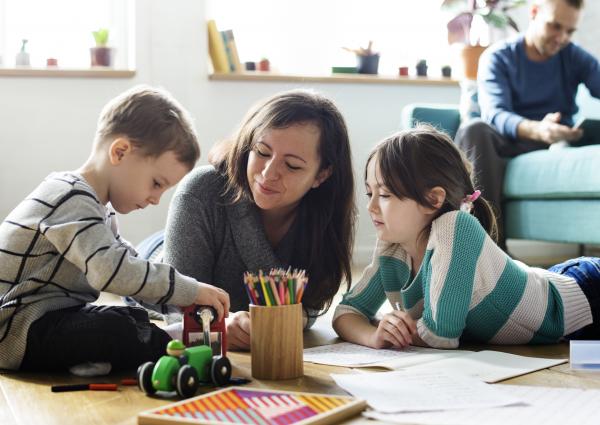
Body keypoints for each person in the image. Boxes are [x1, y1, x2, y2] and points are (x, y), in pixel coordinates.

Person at [0, 85, 230, 372]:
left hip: (48, 319)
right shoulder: (69, 198)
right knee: (116, 328)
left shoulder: (97, 209)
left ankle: (144, 348)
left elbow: (131, 268)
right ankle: (172, 349)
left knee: (129, 316)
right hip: (14, 329)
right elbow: (113, 272)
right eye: (156, 184)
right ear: (120, 152)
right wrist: (188, 290)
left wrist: (178, 305)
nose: (155, 199)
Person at [333, 125, 599, 349]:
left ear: (433, 199)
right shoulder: (392, 246)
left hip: (586, 294)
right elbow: (346, 313)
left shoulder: (454, 227)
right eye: (370, 193)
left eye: (386, 194)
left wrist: (390, 328)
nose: (371, 207)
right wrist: (375, 335)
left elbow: (439, 335)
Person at [162, 89, 357, 350]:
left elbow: (309, 306)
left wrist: (290, 317)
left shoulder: (326, 216)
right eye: (262, 152)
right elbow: (178, 307)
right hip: (159, 260)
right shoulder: (199, 191)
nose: (268, 173)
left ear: (321, 175)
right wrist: (219, 327)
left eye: (292, 166)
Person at [454, 0, 600, 246]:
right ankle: (488, 248)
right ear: (534, 13)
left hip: (554, 142)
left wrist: (555, 133)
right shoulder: (499, 57)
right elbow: (496, 114)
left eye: (569, 30)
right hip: (508, 140)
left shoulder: (573, 55)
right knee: (474, 130)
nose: (561, 37)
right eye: (555, 26)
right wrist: (537, 129)